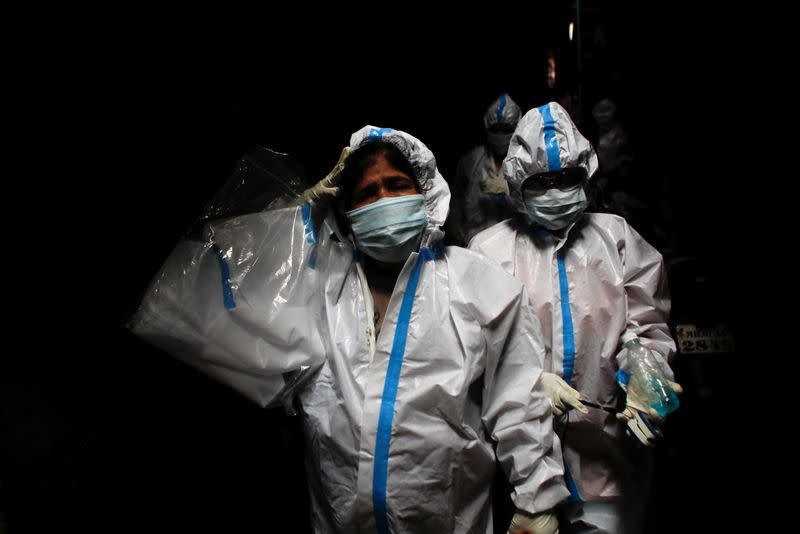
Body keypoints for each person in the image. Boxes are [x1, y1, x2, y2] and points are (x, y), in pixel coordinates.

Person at [130, 125, 569, 533]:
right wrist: (305, 209)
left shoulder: (479, 284)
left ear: (426, 194)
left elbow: (519, 399)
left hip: (447, 519)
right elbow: (196, 297)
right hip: (338, 519)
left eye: (397, 186)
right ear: (348, 211)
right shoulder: (318, 284)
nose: (383, 201)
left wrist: (538, 501)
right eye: (366, 193)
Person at [469, 102, 682, 534]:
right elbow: (474, 351)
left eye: (566, 178)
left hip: (609, 456)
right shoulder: (487, 252)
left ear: (585, 174)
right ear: (517, 183)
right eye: (541, 182)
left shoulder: (617, 239)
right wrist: (529, 383)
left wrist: (645, 373)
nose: (555, 190)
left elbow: (647, 326)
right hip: (519, 463)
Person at [448, 93, 522, 246]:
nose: (500, 135)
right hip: (474, 245)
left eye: (506, 129)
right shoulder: (472, 161)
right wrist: (460, 237)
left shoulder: (524, 161)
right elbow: (456, 201)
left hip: (515, 245)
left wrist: (507, 189)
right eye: (496, 129)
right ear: (488, 128)